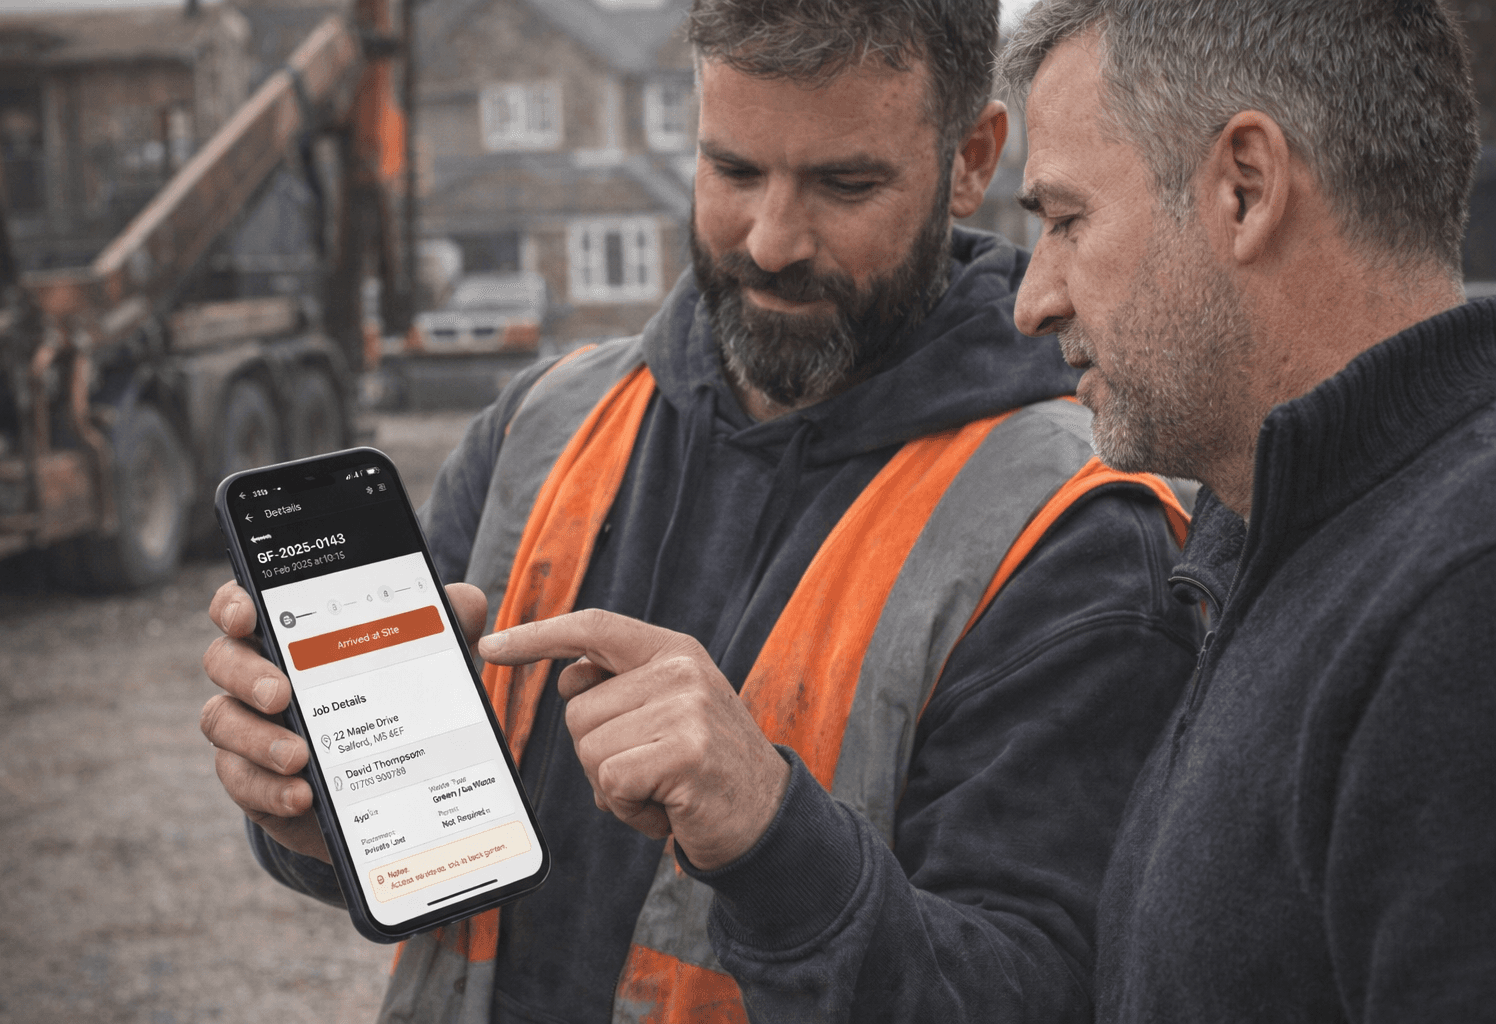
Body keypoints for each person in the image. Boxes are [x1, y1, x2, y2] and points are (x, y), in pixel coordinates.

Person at [200, 1, 1202, 1021]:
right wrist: (314, 811)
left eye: (844, 184)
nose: (770, 241)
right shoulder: (539, 428)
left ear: (971, 157)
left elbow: (1041, 994)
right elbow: (423, 878)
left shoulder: (1075, 534)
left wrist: (774, 835)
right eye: (732, 171)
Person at [871, 0, 1496, 1018]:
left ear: (1245, 188)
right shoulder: (1279, 537)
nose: (1034, 299)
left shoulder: (1462, 600)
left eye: (1068, 220)